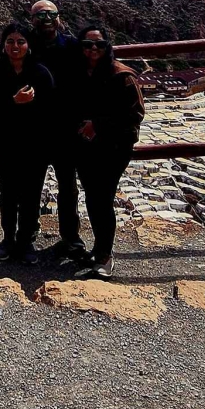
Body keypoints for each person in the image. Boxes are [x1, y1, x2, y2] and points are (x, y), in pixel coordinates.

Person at [0, 22, 55, 264]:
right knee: (9, 192)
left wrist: (32, 104)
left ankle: (26, 240)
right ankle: (8, 238)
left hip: (36, 143)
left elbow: (52, 107)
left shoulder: (40, 73)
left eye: (20, 41)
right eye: (10, 41)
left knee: (32, 193)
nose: (15, 46)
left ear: (28, 45)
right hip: (6, 141)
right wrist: (13, 101)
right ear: (3, 45)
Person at [72, 26, 145, 279]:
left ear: (107, 46)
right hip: (85, 145)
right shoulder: (79, 72)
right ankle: (99, 248)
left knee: (102, 199)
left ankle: (105, 255)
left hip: (114, 147)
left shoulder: (122, 76)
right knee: (93, 197)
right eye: (87, 45)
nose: (93, 49)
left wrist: (98, 125)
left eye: (99, 44)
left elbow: (135, 114)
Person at [27, 0, 86, 262]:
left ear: (59, 17)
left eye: (51, 14)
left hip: (66, 128)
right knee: (31, 185)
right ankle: (28, 233)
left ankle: (71, 237)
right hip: (35, 128)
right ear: (32, 20)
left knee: (68, 187)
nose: (47, 19)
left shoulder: (73, 46)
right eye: (41, 15)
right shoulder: (24, 45)